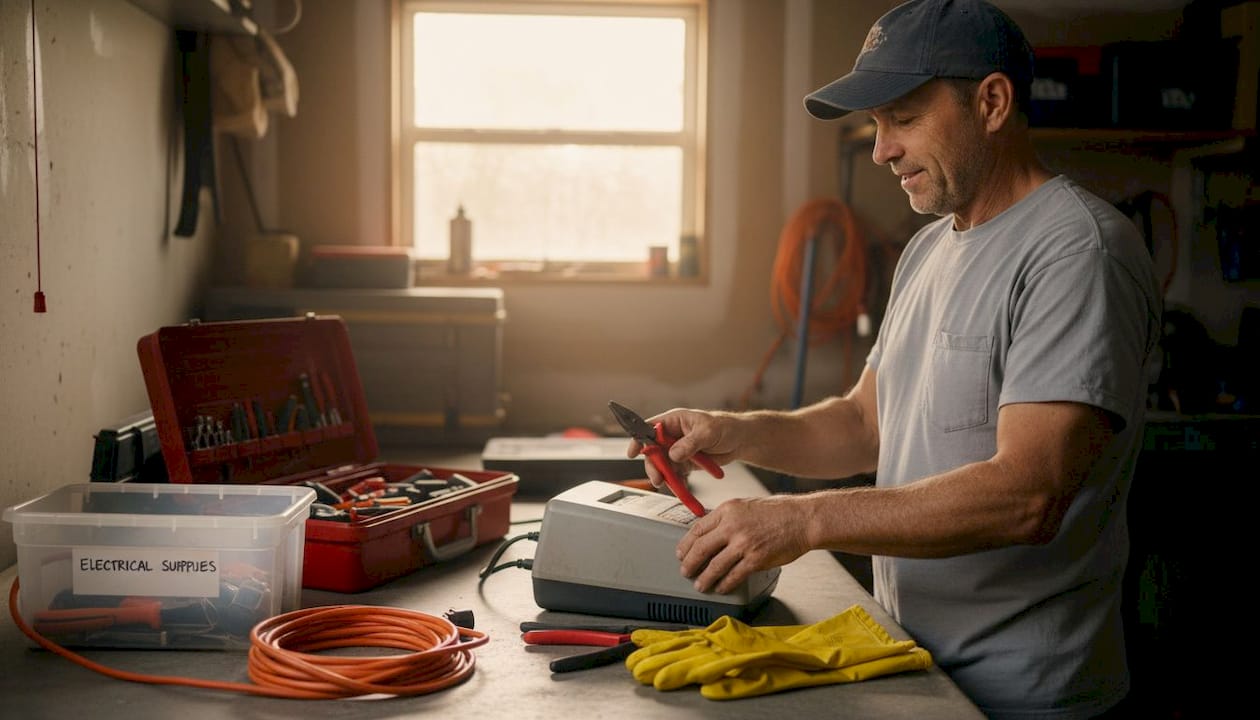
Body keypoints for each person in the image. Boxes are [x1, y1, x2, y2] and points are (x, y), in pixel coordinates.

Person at [628, 1, 1163, 718]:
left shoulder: (1077, 252)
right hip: (914, 669)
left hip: (1027, 697)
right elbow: (861, 425)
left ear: (992, 102)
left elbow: (1028, 495)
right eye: (877, 125)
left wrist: (802, 521)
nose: (881, 150)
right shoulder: (929, 248)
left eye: (903, 119)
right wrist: (733, 431)